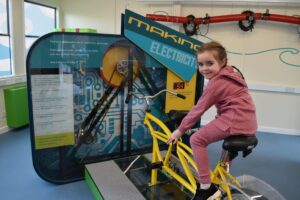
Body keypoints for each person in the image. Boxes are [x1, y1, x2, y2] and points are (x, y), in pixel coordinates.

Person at [166, 41, 257, 200]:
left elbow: (198, 110)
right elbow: (229, 103)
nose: (204, 68)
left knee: (196, 139)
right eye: (200, 64)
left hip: (234, 120)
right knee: (224, 146)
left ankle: (206, 187)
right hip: (248, 121)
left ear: (222, 62)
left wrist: (179, 131)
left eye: (210, 63)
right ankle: (221, 179)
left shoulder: (216, 83)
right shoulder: (233, 73)